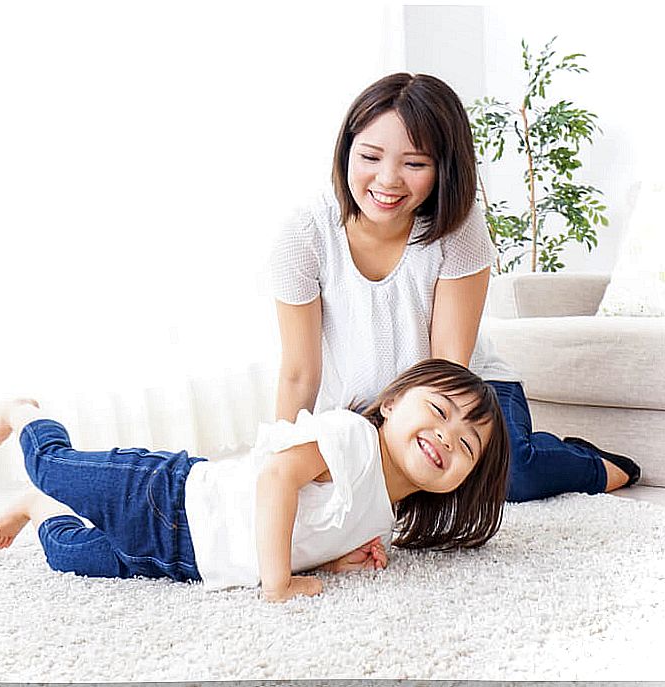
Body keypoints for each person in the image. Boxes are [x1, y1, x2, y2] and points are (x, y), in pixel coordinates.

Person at [270, 72, 640, 503]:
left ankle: (592, 465)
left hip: (463, 393)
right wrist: (278, 461)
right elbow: (299, 374)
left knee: (510, 478)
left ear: (443, 167)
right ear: (347, 150)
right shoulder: (305, 235)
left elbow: (449, 367)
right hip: (368, 409)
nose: (388, 180)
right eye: (370, 156)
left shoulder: (458, 229)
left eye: (415, 164)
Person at [0, 359, 510, 602]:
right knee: (52, 465)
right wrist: (278, 584)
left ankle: (38, 508)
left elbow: (305, 532)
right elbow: (279, 479)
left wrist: (331, 560)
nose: (445, 436)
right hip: (168, 497)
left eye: (466, 445)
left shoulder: (383, 521)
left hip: (188, 564)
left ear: (462, 480)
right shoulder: (352, 437)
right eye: (439, 411)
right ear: (392, 403)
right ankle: (26, 414)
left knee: (68, 556)